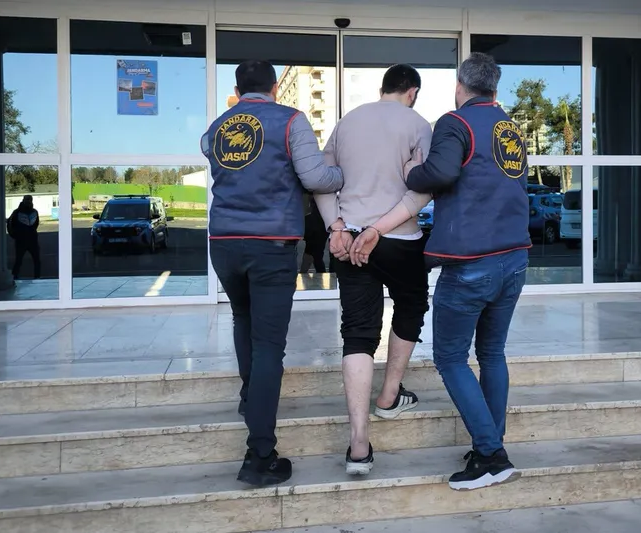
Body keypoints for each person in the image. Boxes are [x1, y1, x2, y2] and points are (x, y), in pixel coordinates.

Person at [352, 53, 530, 490]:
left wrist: (413, 171)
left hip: (472, 264)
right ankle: (491, 444)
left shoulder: (456, 122)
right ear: (495, 88)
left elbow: (442, 173)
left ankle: (491, 455)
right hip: (514, 260)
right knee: (492, 354)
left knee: (450, 357)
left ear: (459, 86)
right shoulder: (509, 127)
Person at [201, 60, 343, 487]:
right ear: (275, 87)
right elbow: (315, 177)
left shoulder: (219, 127)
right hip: (272, 244)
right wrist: (343, 173)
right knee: (268, 346)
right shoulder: (290, 121)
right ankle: (259, 455)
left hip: (224, 243)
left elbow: (209, 150)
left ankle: (251, 399)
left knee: (242, 318)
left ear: (238, 88)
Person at [314, 64, 432, 475]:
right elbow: (424, 188)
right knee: (411, 307)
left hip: (350, 240)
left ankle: (359, 445)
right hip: (399, 239)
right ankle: (388, 396)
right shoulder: (419, 125)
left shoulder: (347, 122)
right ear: (412, 92)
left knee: (358, 332)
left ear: (383, 88)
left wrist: (336, 227)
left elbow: (322, 180)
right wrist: (380, 229)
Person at [7, 195, 41, 280]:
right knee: (19, 260)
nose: (28, 201)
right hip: (21, 241)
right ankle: (14, 277)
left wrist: (32, 232)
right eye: (26, 200)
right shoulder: (16, 212)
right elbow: (10, 224)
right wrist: (14, 235)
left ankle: (37, 277)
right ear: (23, 200)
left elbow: (36, 223)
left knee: (37, 260)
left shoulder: (35, 212)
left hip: (32, 240)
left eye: (30, 200)